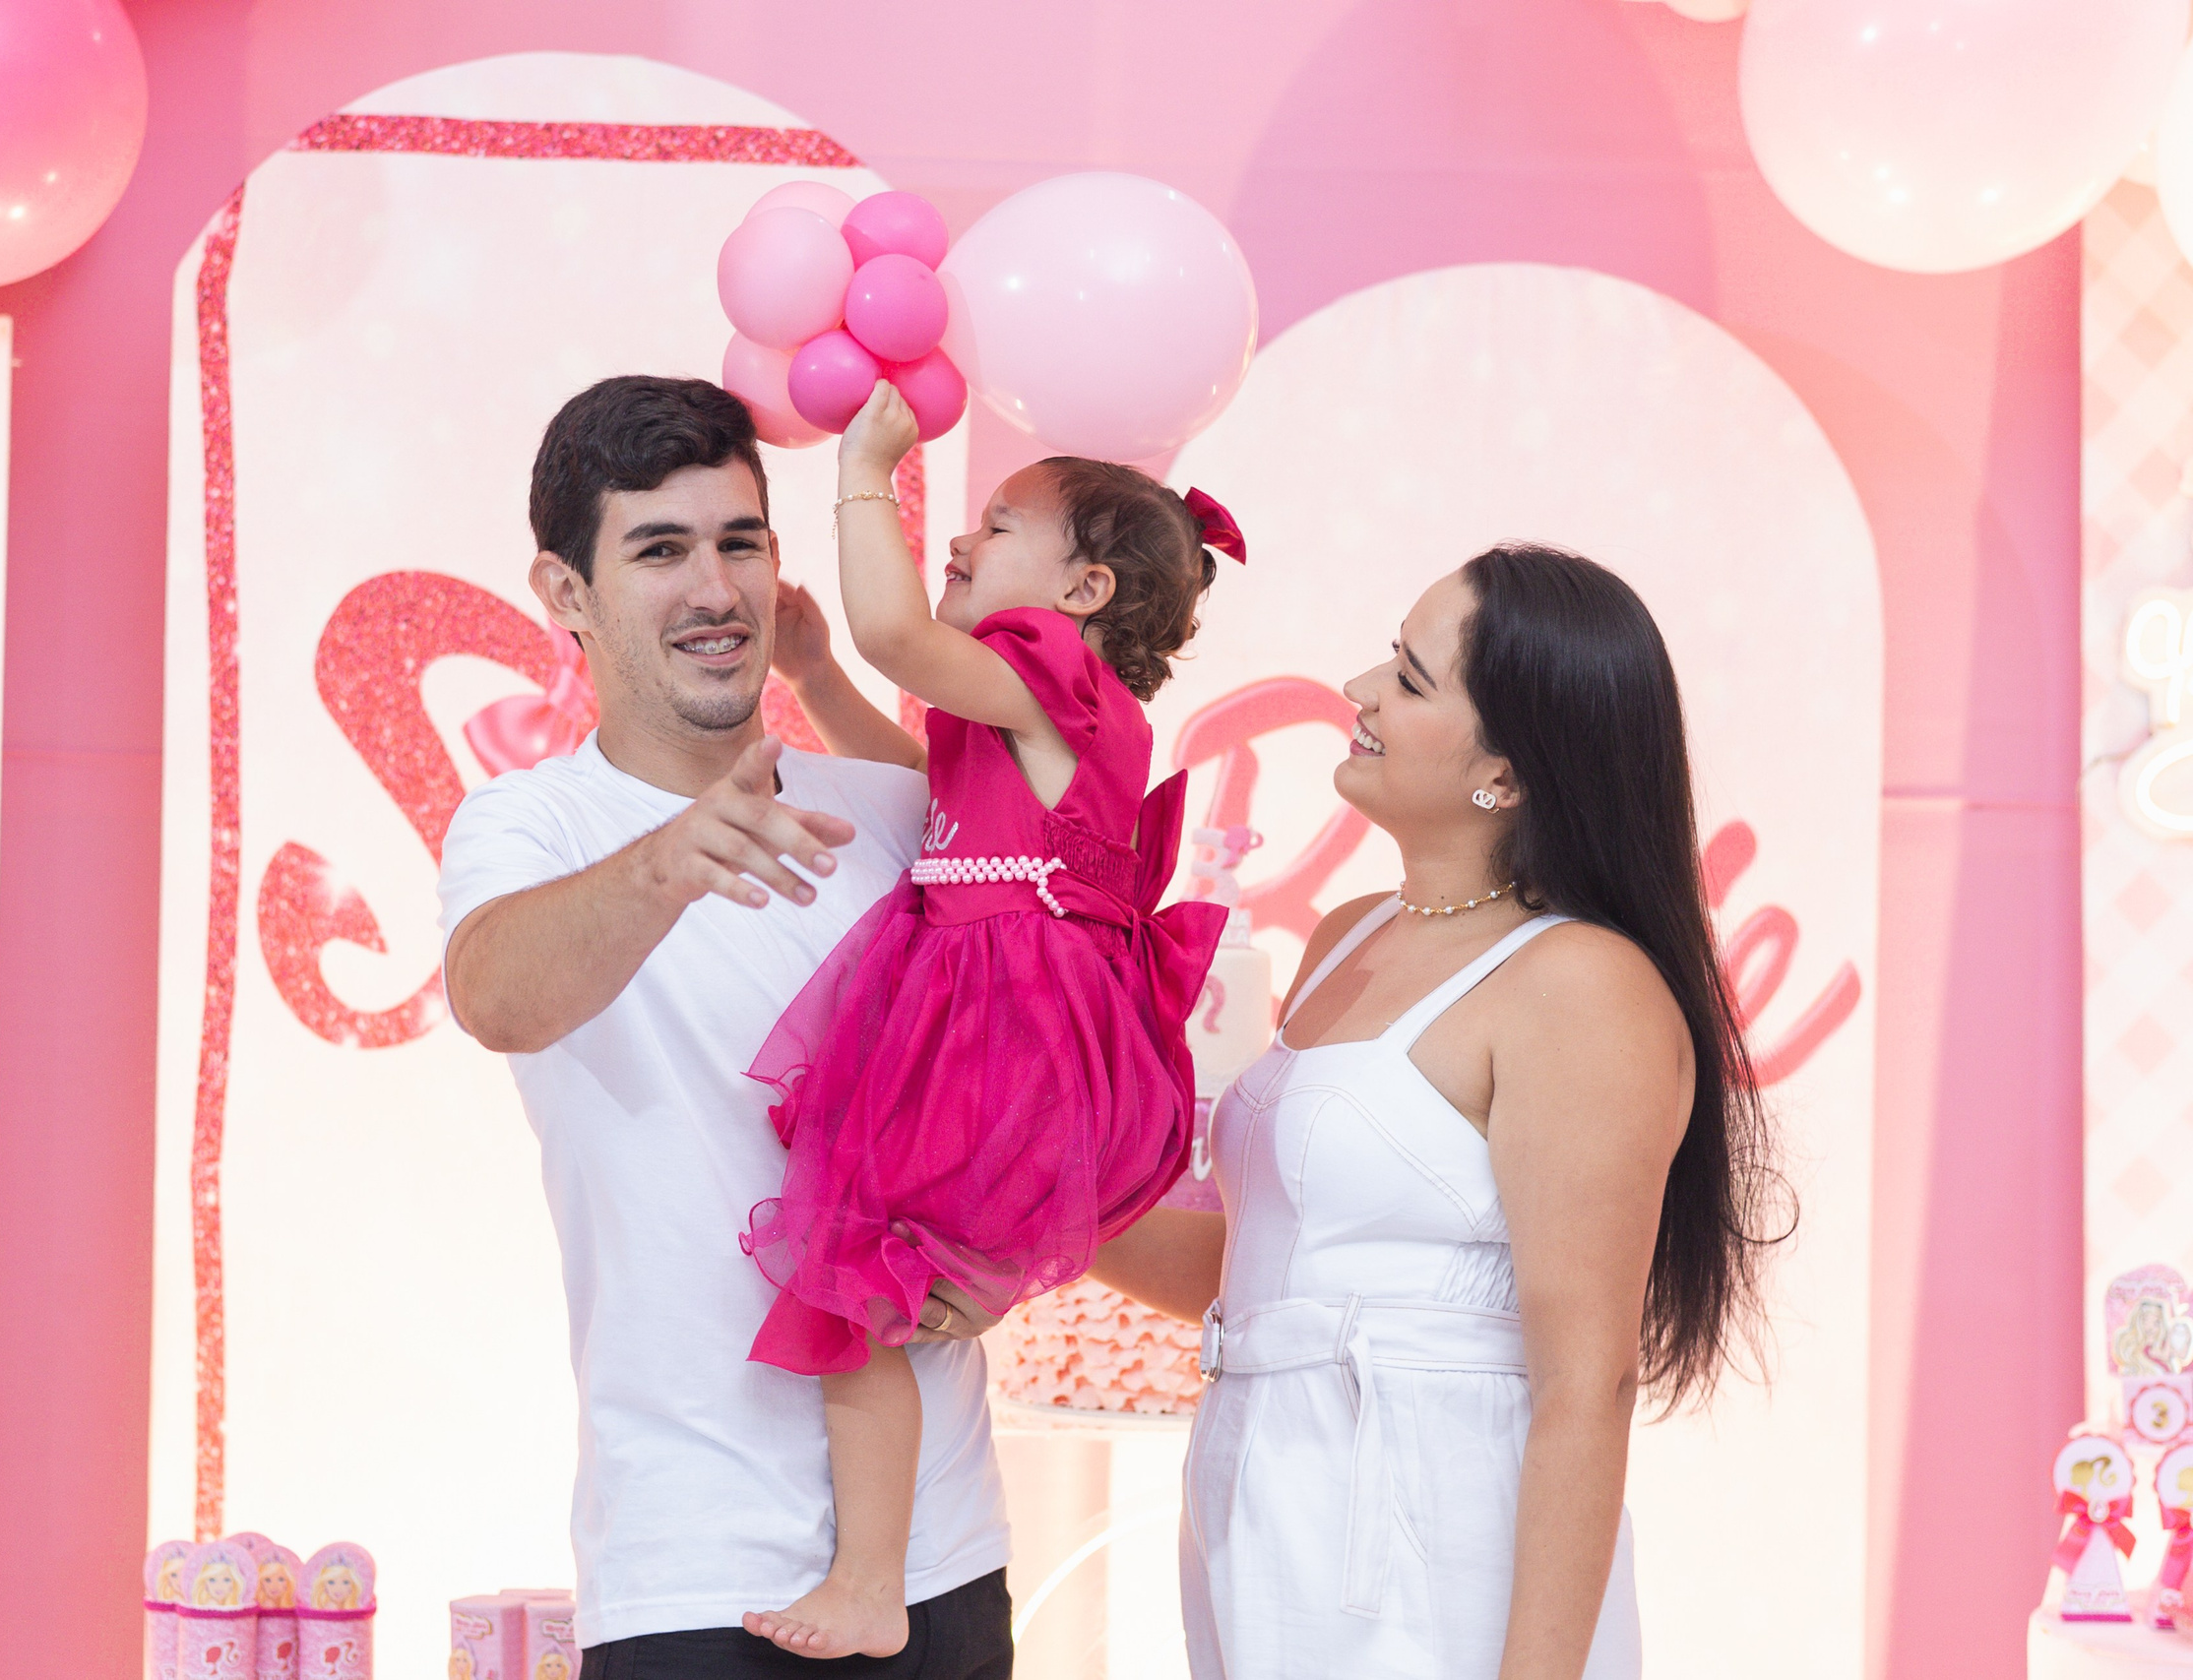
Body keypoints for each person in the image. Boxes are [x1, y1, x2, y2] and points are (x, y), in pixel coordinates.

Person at [1092, 544, 1786, 1679]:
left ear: (1505, 774)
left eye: (1410, 679)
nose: (1359, 691)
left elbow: (1586, 1378)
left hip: (1433, 1537)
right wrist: (1024, 1216)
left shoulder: (1580, 986)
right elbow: (1265, 1270)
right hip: (1258, 1499)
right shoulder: (1346, 935)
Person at [439, 376, 1013, 1679]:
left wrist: (1015, 1257)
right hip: (690, 1564)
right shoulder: (535, 828)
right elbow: (495, 993)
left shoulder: (891, 808)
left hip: (944, 1561)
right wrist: (672, 859)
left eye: (738, 541)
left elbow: (1022, 1067)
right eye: (659, 550)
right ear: (566, 593)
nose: (714, 589)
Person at [737, 383, 1238, 1660]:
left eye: (999, 521)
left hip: (1008, 1038)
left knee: (858, 1289)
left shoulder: (1058, 684)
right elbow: (914, 767)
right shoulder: (1024, 716)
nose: (964, 533)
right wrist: (808, 674)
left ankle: (868, 1575)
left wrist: (866, 475)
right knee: (866, 1304)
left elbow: (900, 635)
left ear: (1079, 598)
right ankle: (867, 1574)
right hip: (991, 1028)